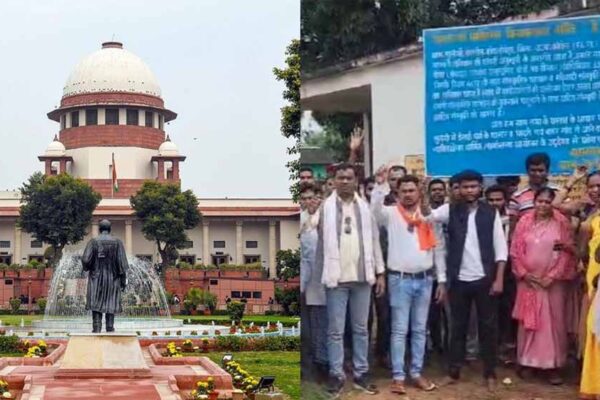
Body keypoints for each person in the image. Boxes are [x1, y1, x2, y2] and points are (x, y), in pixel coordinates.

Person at [429, 170, 508, 392]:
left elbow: (501, 249)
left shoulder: (490, 213)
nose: (469, 190)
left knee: (488, 328)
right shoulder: (450, 210)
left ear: (480, 188)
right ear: (459, 189)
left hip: (485, 279)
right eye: (465, 187)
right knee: (457, 328)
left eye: (473, 186)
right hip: (458, 280)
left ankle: (490, 372)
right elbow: (427, 216)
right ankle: (453, 371)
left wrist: (499, 279)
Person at [317, 162, 385, 398]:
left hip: (362, 278)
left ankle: (361, 373)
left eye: (349, 178)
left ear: (356, 181)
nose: (345, 181)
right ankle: (336, 375)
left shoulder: (365, 207)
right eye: (341, 177)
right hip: (336, 279)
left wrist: (380, 272)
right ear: (334, 181)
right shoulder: (325, 208)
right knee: (335, 331)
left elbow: (374, 240)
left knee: (361, 329)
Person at [373, 175, 446, 394]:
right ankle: (398, 377)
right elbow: (374, 211)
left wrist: (442, 279)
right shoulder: (390, 214)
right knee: (399, 329)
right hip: (400, 280)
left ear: (419, 192)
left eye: (411, 190)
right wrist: (380, 185)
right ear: (397, 193)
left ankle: (416, 372)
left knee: (420, 330)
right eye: (403, 191)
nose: (407, 194)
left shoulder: (428, 217)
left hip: (425, 280)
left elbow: (438, 249)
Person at [511, 188, 575, 384]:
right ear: (534, 202)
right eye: (540, 201)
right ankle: (528, 362)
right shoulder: (524, 221)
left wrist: (552, 276)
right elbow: (515, 250)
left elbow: (566, 252)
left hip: (552, 284)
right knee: (530, 322)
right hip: (528, 282)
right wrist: (524, 273)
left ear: (552, 203)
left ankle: (552, 366)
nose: (543, 205)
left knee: (554, 323)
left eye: (547, 202)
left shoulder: (561, 222)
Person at [300, 183, 328, 375]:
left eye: (312, 198)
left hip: (319, 281)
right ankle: (307, 364)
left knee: (320, 324)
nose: (309, 202)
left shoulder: (324, 219)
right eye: (304, 198)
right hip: (303, 282)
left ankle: (321, 363)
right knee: (305, 327)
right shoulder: (300, 220)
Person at [82, 219, 128, 333]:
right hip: (113, 279)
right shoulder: (117, 243)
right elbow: (122, 264)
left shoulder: (93, 242)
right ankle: (110, 327)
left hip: (96, 278)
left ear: (99, 229)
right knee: (110, 303)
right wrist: (123, 281)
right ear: (110, 229)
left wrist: (88, 268)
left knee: (96, 303)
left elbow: (85, 260)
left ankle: (96, 328)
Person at [485, 184, 515, 361]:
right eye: (491, 200)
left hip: (510, 269)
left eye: (498, 199)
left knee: (507, 309)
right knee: (489, 311)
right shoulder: (481, 218)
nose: (495, 203)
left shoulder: (513, 219)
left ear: (505, 200)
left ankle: (506, 347)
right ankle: (490, 349)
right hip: (487, 269)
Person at [580, 172, 600, 398]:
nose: (595, 190)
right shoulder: (593, 216)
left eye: (599, 186)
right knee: (595, 332)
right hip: (594, 281)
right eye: (592, 187)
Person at [427, 178, 450, 354]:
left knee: (450, 314)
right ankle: (436, 346)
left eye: (440, 189)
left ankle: (450, 347)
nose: (437, 192)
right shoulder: (425, 213)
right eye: (434, 189)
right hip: (431, 271)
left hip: (452, 270)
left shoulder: (452, 211)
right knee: (433, 313)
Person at [509, 153, 558, 227]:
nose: (537, 174)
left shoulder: (558, 192)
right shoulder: (517, 196)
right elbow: (512, 224)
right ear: (527, 171)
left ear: (547, 171)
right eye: (533, 170)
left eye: (541, 170)